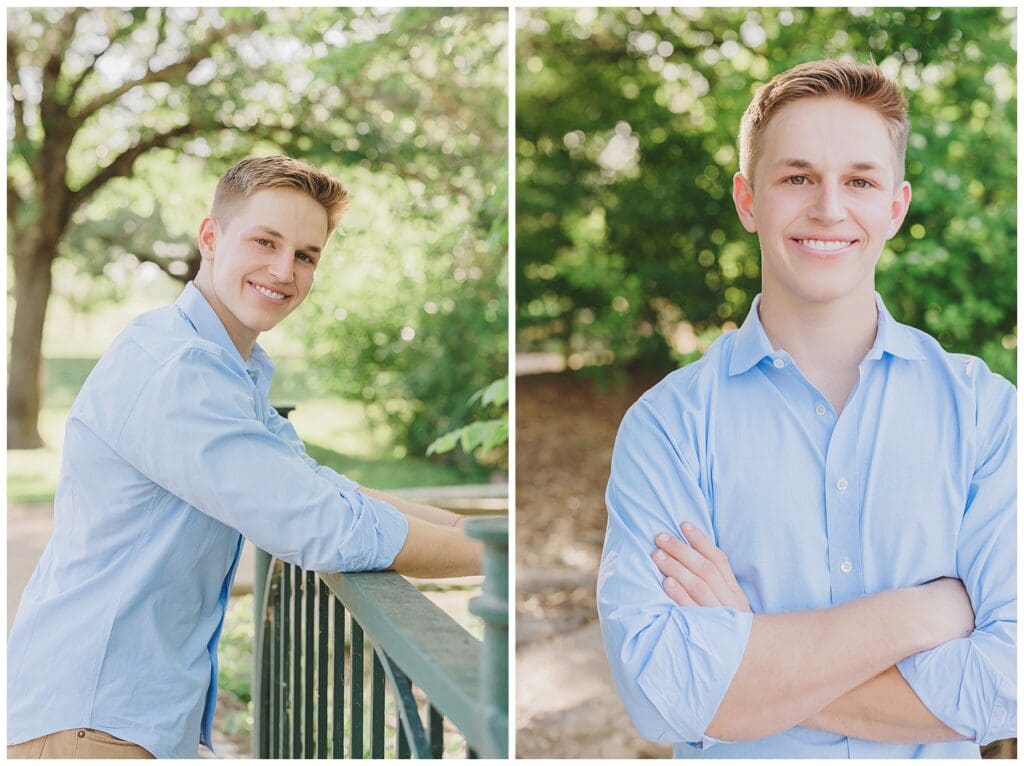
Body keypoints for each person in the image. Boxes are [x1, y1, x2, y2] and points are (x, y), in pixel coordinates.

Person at [598, 59, 1015, 758]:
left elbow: (1008, 686)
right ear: (748, 199)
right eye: (797, 177)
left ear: (896, 205)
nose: (828, 207)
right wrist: (918, 614)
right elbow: (659, 691)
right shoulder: (667, 426)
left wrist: (749, 649)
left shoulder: (987, 415)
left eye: (859, 180)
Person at [7, 156, 484, 759]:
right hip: (91, 723)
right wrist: (489, 558)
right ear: (211, 237)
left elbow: (312, 483)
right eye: (265, 241)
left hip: (125, 716)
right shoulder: (178, 370)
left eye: (306, 255)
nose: (284, 270)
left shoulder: (224, 365)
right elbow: (320, 525)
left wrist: (475, 530)